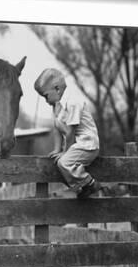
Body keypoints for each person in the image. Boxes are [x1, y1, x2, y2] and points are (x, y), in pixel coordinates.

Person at [34, 68, 101, 198]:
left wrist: (65, 152)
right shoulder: (58, 106)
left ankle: (90, 183)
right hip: (77, 146)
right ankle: (81, 188)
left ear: (57, 89)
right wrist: (57, 149)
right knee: (59, 163)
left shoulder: (73, 102)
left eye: (46, 96)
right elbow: (57, 129)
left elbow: (70, 132)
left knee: (64, 163)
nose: (46, 101)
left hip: (87, 145)